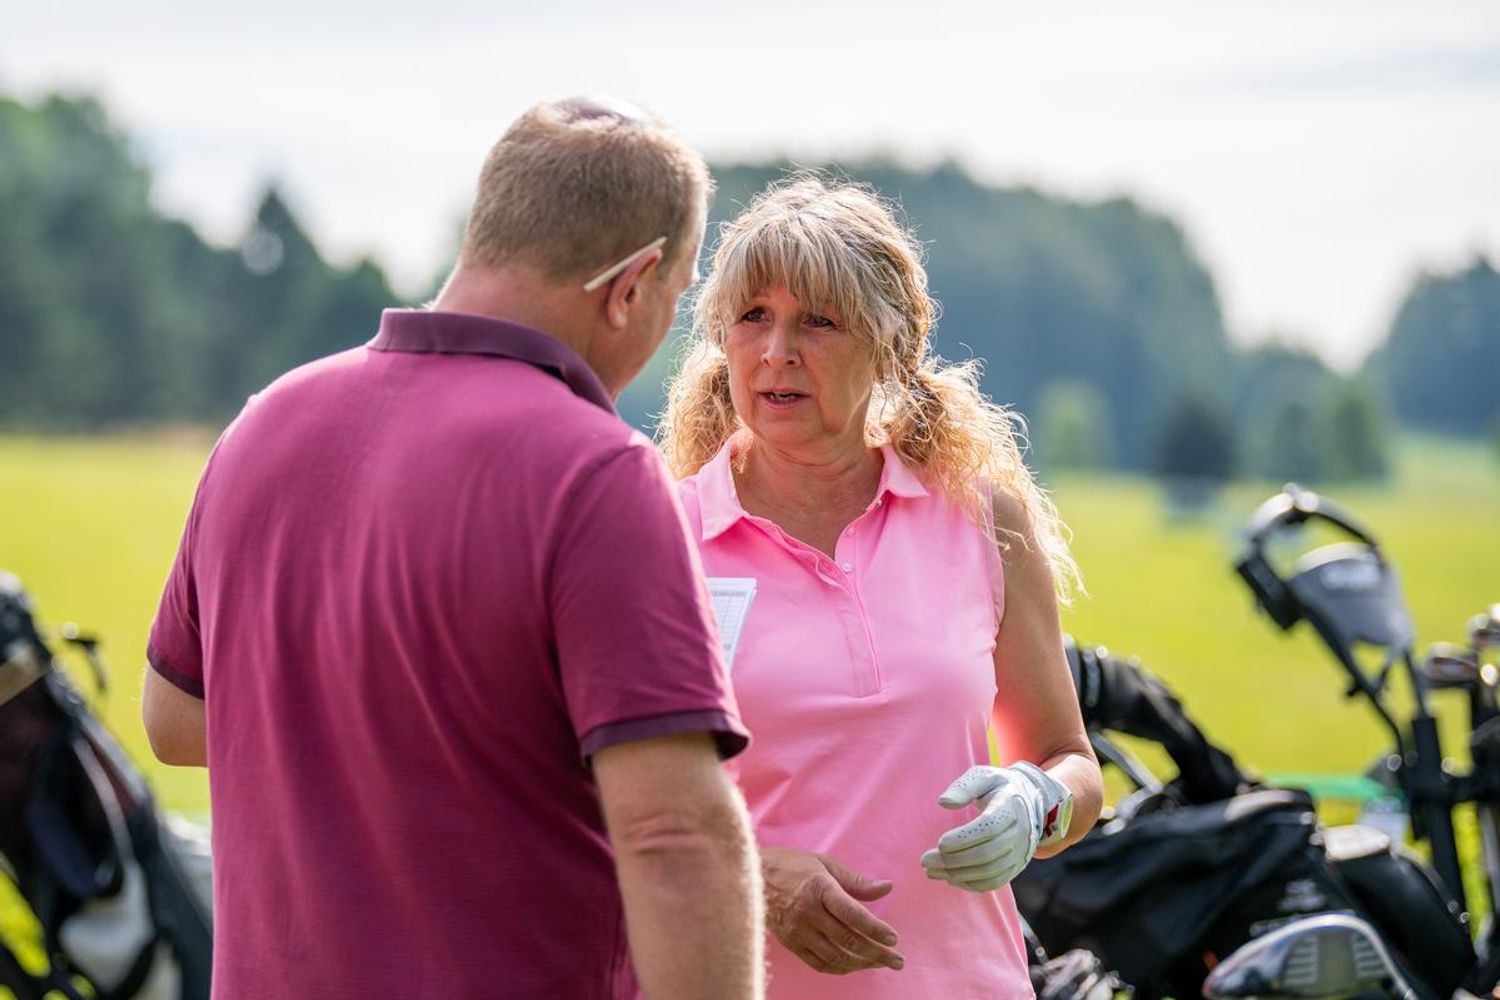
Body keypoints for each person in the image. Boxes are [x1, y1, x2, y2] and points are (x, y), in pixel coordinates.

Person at [142, 97, 764, 1000]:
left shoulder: (263, 426)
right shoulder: (595, 471)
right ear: (631, 286)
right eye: (677, 297)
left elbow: (173, 717)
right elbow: (675, 838)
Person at [658, 175, 1103, 998]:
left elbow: (1068, 759)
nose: (777, 351)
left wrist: (1036, 798)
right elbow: (580, 802)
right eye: (753, 316)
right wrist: (754, 875)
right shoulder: (659, 536)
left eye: (817, 321)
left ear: (890, 346)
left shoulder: (983, 520)